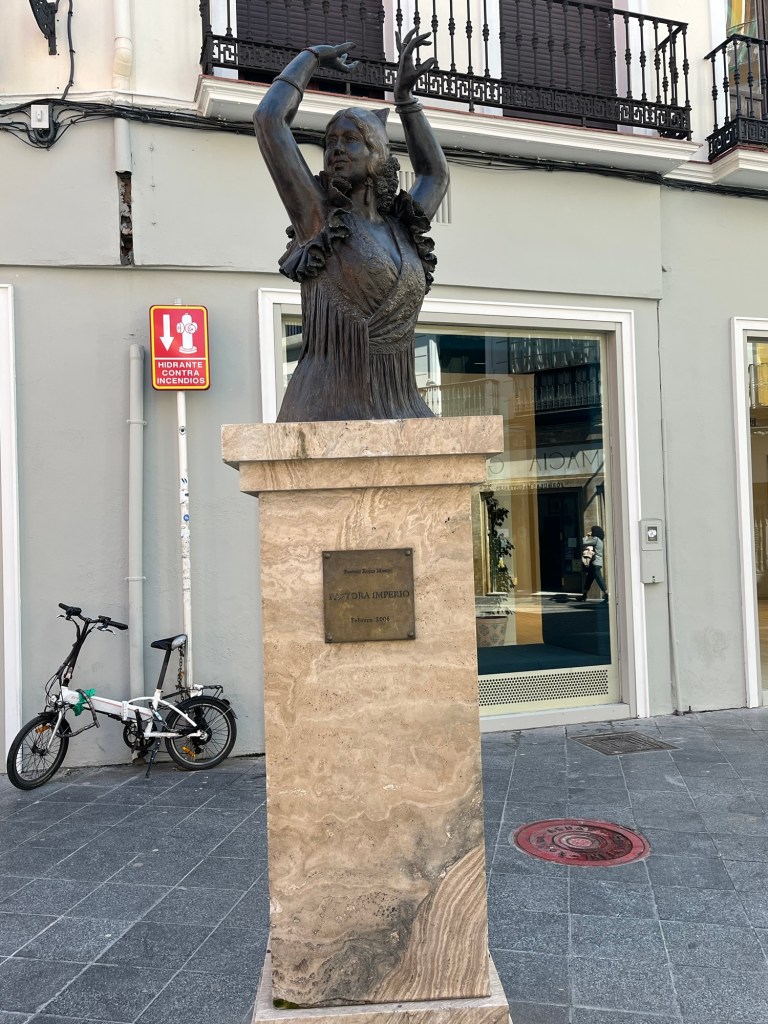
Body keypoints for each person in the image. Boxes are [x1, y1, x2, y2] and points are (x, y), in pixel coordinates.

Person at [254, 29, 449, 421]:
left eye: (350, 140)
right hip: (327, 406)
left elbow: (436, 174)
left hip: (400, 404)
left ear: (378, 154)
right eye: (330, 142)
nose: (336, 149)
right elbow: (269, 119)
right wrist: (311, 57)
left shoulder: (403, 226)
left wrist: (406, 103)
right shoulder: (319, 218)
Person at [578, 525, 608, 601]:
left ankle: (607, 594)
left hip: (595, 563)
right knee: (589, 579)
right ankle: (584, 595)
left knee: (599, 579)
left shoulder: (596, 539)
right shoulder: (600, 540)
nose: (591, 532)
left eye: (592, 531)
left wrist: (587, 536)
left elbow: (584, 542)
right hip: (597, 563)